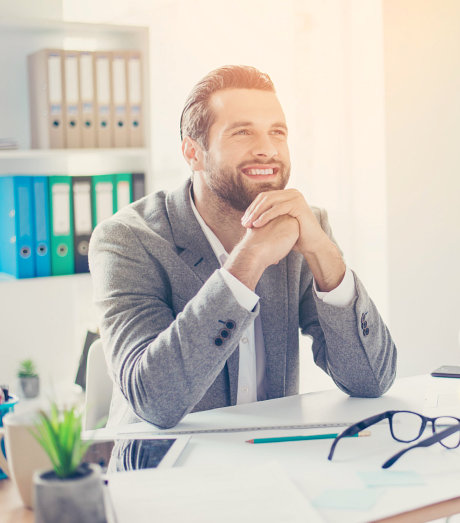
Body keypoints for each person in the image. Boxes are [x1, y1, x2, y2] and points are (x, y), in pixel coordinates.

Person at [89, 65, 397, 429]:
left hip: (269, 457)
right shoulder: (127, 239)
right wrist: (248, 260)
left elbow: (371, 381)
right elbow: (155, 400)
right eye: (243, 132)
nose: (267, 149)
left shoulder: (304, 226)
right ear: (193, 154)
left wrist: (322, 252)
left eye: (277, 132)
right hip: (165, 468)